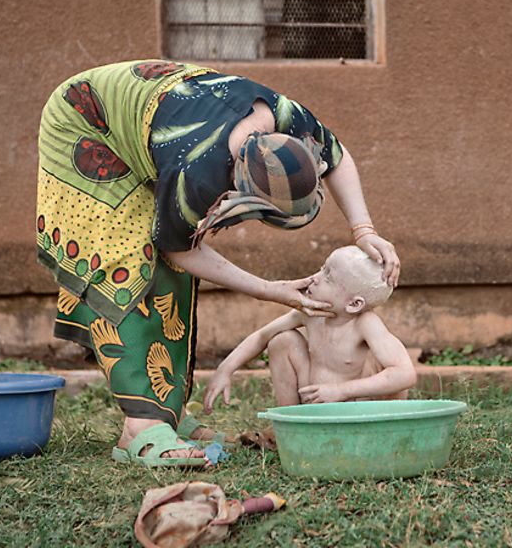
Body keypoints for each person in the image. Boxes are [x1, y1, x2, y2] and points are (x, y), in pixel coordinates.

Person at [36, 60, 399, 466]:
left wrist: (364, 230)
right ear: (236, 186)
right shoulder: (198, 172)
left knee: (173, 272)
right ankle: (140, 428)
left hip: (153, 113)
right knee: (132, 269)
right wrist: (269, 289)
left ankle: (168, 411)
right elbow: (178, 248)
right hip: (84, 125)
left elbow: (339, 157)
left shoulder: (285, 119)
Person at [203, 246, 416, 411]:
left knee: (388, 363)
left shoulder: (365, 323)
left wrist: (340, 391)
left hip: (355, 406)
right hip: (314, 400)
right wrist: (225, 369)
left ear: (354, 304)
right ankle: (289, 424)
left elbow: (405, 374)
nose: (315, 277)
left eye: (328, 277)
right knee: (281, 340)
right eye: (322, 269)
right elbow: (262, 335)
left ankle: (380, 428)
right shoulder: (311, 313)